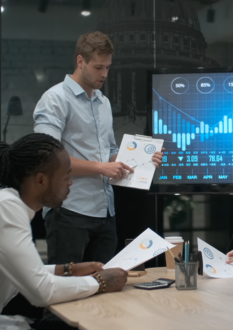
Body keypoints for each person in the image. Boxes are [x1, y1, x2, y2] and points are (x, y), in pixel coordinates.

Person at [33, 31, 164, 265]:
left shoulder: (103, 102)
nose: (104, 74)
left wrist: (143, 161)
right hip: (68, 211)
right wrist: (101, 168)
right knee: (66, 294)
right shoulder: (55, 99)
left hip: (105, 213)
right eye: (98, 67)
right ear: (80, 61)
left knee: (102, 291)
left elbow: (110, 152)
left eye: (108, 67)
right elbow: (47, 156)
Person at [0, 133, 128, 330]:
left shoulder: (7, 203)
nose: (70, 183)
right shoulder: (6, 207)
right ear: (41, 180)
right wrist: (100, 281)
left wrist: (68, 269)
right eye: (66, 176)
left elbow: (22, 272)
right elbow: (41, 291)